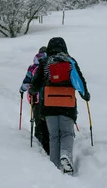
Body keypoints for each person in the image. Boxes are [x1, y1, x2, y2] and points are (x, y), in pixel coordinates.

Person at [29, 37, 90, 174]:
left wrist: (32, 92)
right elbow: (80, 80)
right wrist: (85, 95)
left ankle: (54, 167)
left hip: (49, 105)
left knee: (54, 135)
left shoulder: (45, 62)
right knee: (67, 133)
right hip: (67, 105)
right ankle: (66, 156)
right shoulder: (71, 61)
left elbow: (36, 84)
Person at [19, 47, 50, 155]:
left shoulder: (32, 67)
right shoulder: (52, 64)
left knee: (39, 122)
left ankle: (40, 146)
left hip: (35, 99)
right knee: (49, 123)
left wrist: (22, 89)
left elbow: (26, 82)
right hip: (51, 99)